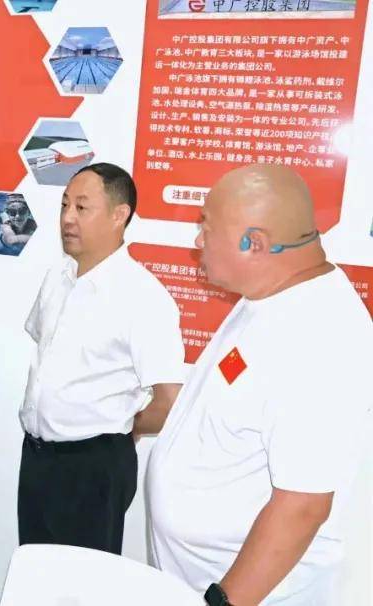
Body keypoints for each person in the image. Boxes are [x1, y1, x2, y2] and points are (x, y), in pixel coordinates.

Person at [147, 164, 373, 606]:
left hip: (249, 594)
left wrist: (225, 601)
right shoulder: (270, 294)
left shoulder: (321, 339)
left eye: (207, 227)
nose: (198, 241)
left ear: (255, 243)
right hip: (198, 579)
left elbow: (302, 506)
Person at [18, 163, 185, 555]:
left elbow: (169, 401)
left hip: (93, 467)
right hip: (38, 457)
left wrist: (126, 428)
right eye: (64, 205)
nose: (67, 218)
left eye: (81, 207)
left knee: (84, 579)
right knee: (35, 570)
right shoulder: (58, 276)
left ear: (118, 215)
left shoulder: (142, 296)